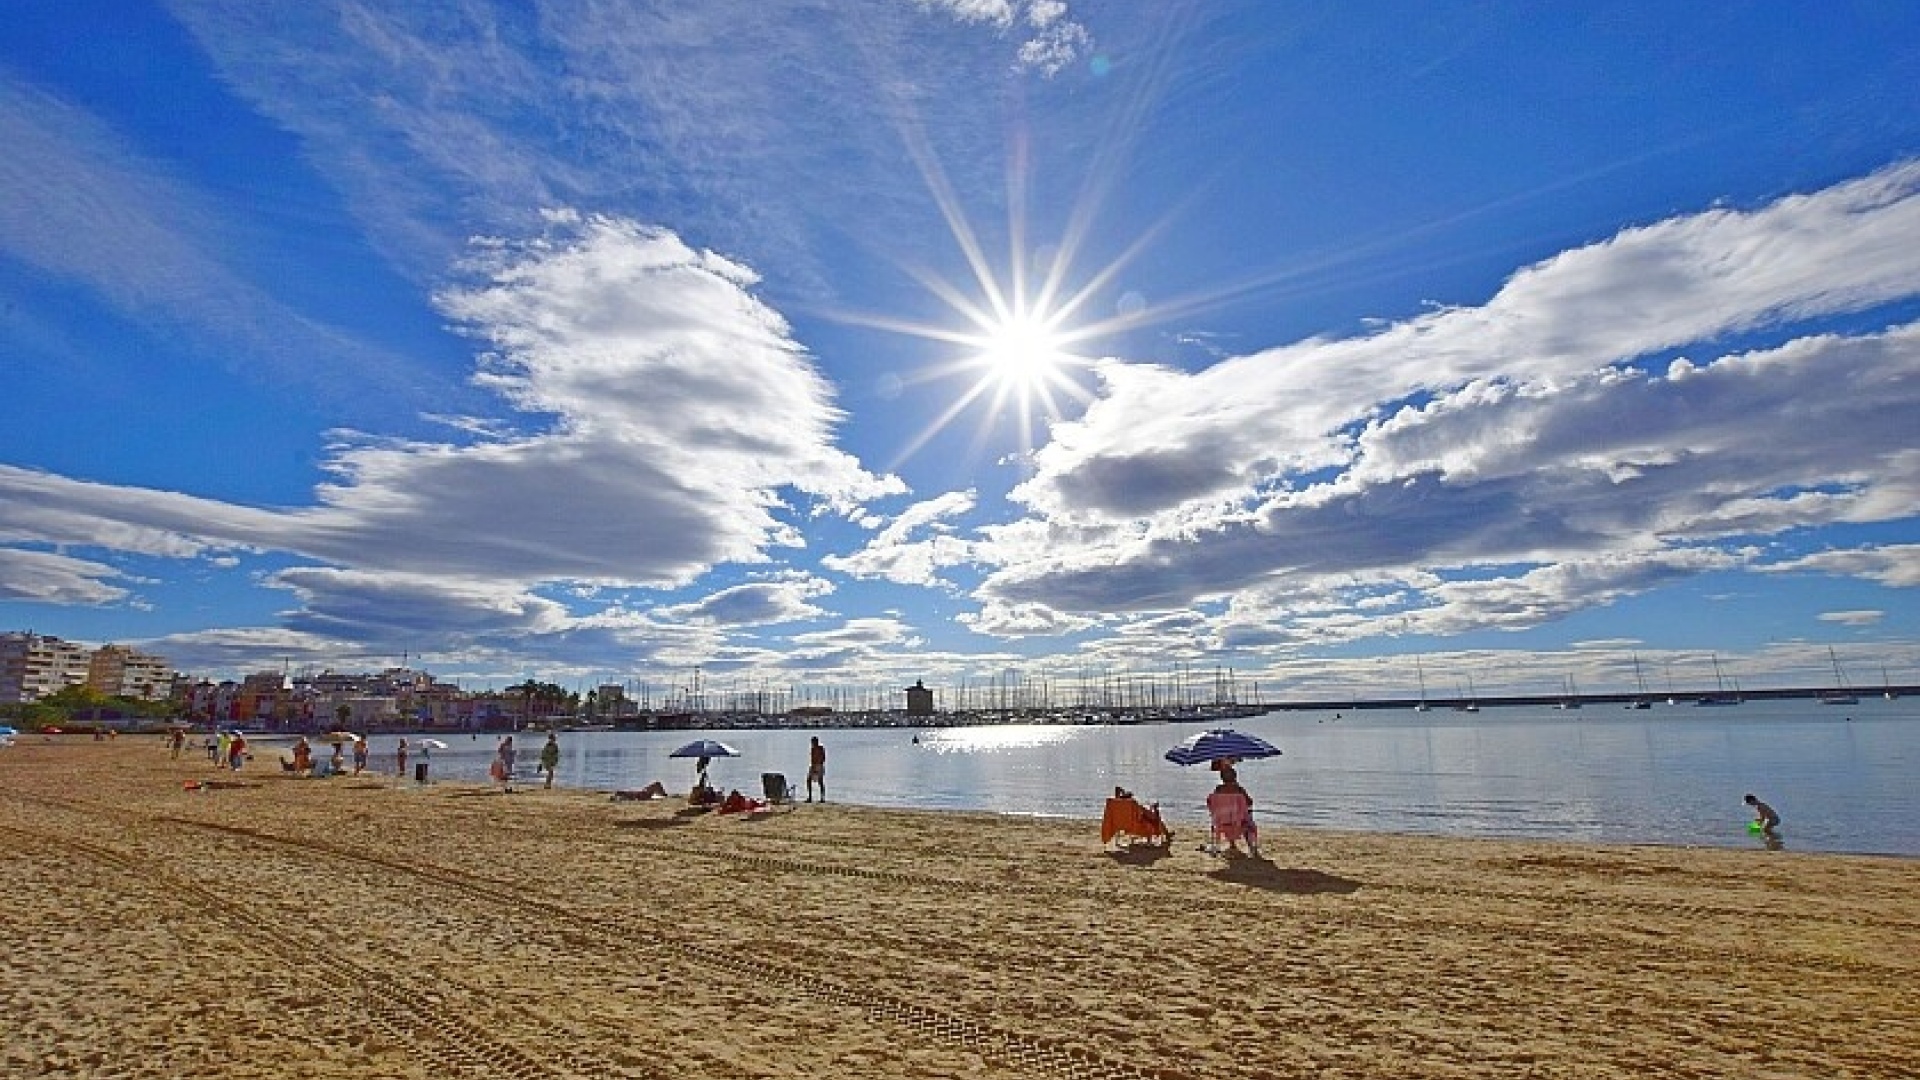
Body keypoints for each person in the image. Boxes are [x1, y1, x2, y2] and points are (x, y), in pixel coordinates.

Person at [805, 736, 827, 803]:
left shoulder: (820, 748)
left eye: (813, 742)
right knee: (808, 780)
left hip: (819, 766)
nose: (812, 743)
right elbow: (812, 759)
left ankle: (822, 798)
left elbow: (823, 758)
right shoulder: (812, 749)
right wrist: (813, 767)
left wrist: (818, 766)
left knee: (820, 782)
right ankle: (810, 797)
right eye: (812, 742)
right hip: (813, 765)